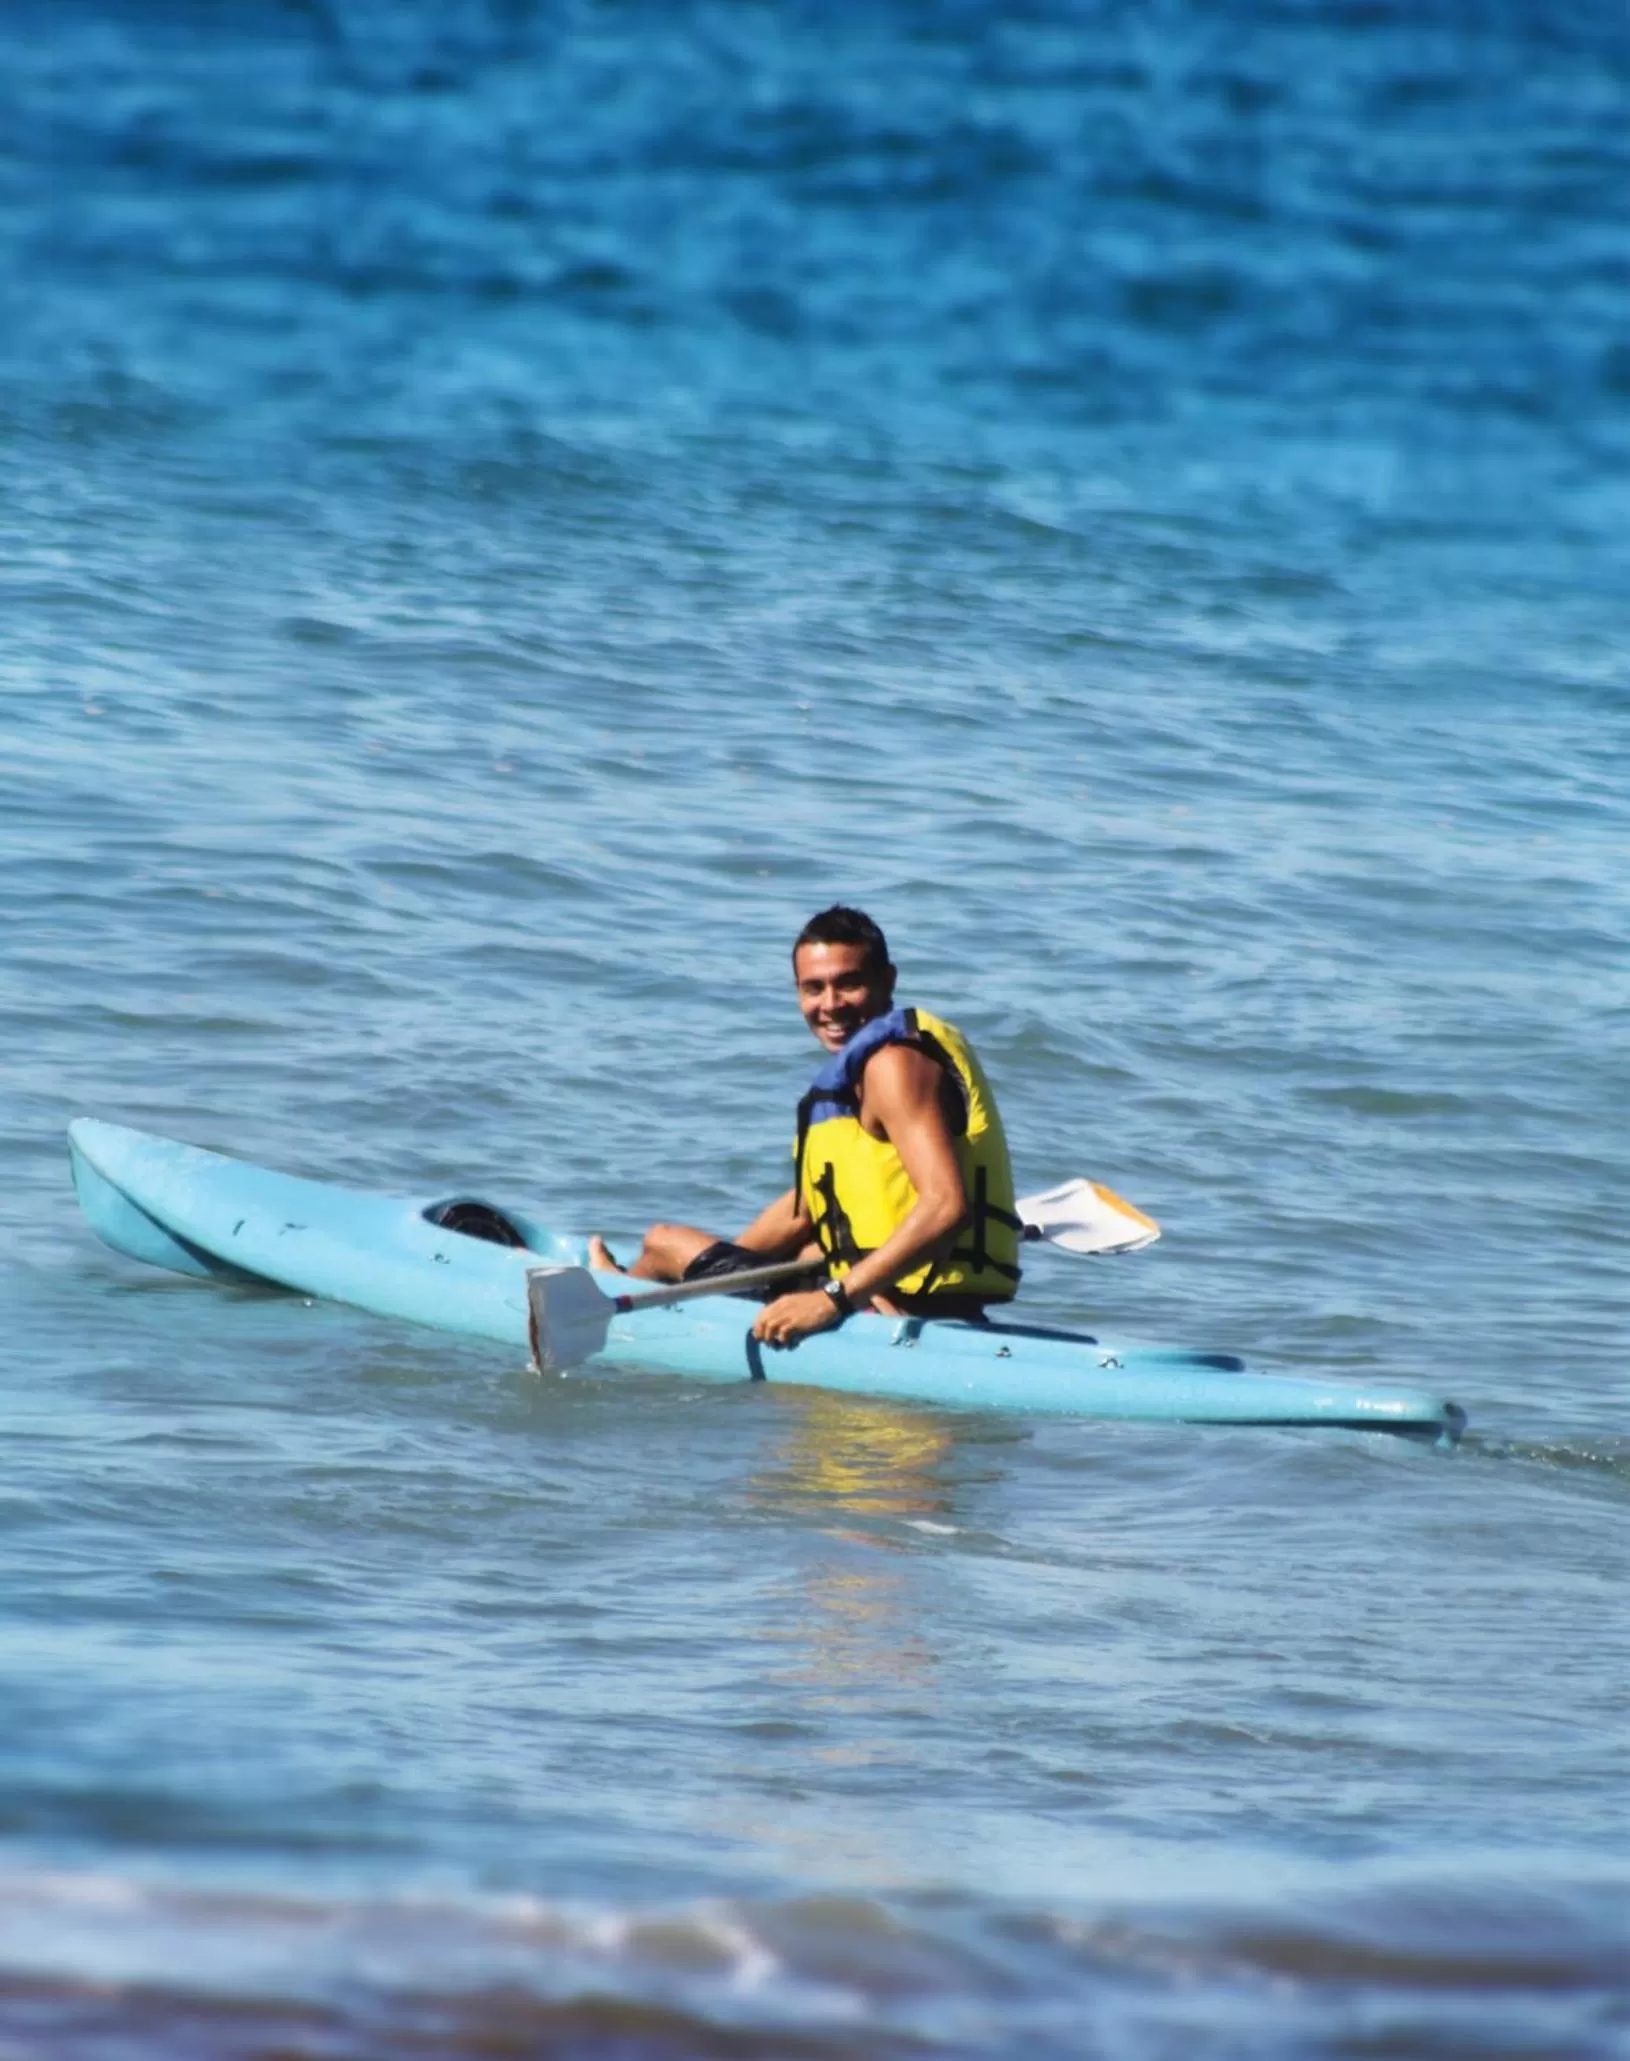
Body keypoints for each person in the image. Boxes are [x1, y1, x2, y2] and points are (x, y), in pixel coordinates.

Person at [587, 906, 1022, 1348]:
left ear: (887, 981)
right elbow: (811, 1209)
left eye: (848, 983)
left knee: (662, 1241)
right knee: (805, 1250)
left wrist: (832, 1300)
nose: (830, 1004)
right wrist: (715, 1269)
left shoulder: (894, 1067)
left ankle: (614, 1310)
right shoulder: (879, 1065)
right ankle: (675, 1296)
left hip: (886, 1309)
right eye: (814, 988)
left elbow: (947, 1208)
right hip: (923, 1301)